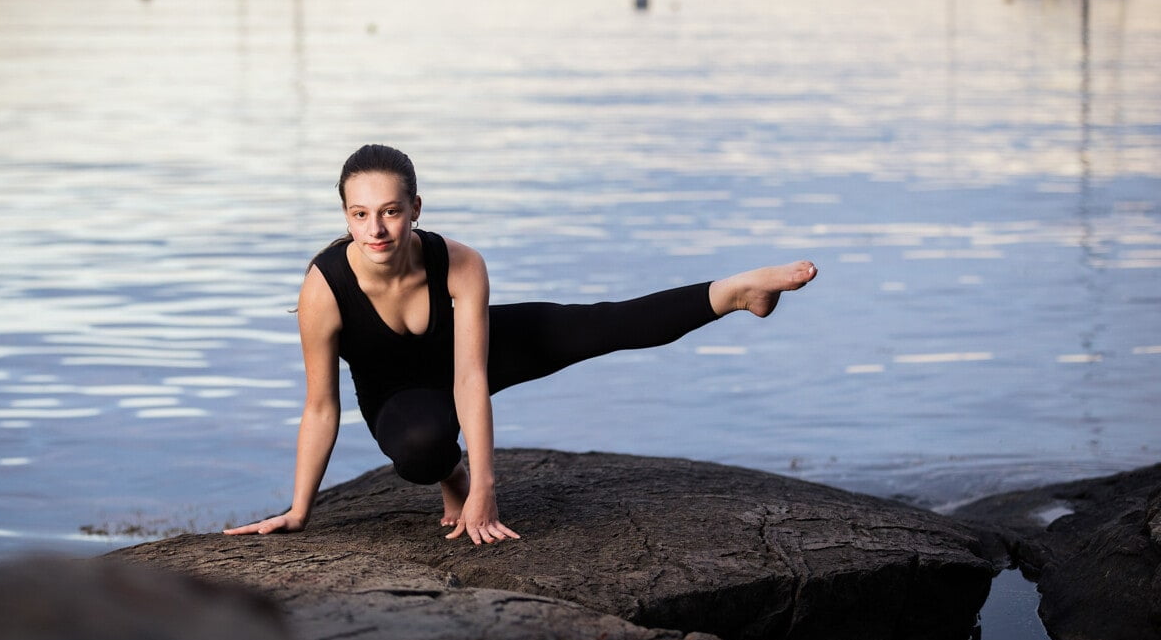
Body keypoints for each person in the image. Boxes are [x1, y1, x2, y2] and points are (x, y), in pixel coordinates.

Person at [225, 144, 817, 545]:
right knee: (421, 450)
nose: (376, 229)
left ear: (415, 209)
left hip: (467, 356)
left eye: (390, 211)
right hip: (399, 397)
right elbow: (321, 408)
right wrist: (301, 510)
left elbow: (470, 378)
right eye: (360, 214)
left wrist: (489, 487)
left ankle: (737, 292)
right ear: (346, 216)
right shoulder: (324, 290)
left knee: (603, 324)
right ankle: (448, 476)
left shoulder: (459, 262)